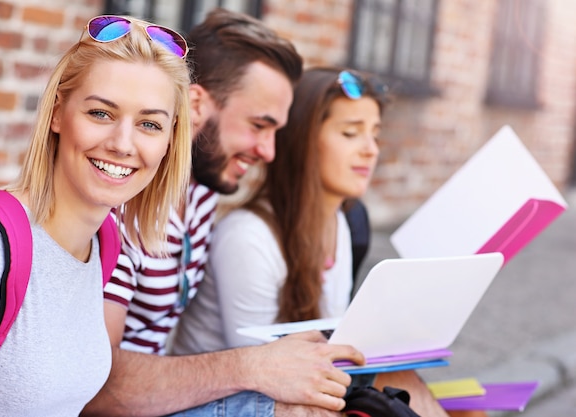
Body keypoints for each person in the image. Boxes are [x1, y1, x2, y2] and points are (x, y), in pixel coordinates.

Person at [83, 8, 367, 417]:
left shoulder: (201, 191)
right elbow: (96, 386)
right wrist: (252, 366)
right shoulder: (121, 202)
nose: (268, 151)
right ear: (196, 105)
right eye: (258, 125)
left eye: (275, 132)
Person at [171, 67, 456, 417]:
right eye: (351, 133)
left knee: (403, 380)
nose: (370, 150)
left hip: (294, 387)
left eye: (375, 135)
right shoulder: (249, 237)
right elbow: (263, 377)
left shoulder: (340, 222)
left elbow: (338, 350)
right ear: (304, 142)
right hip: (224, 400)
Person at [0, 13, 191, 415]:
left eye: (149, 124)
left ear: (169, 141)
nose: (122, 144)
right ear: (58, 113)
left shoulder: (104, 244)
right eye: (101, 113)